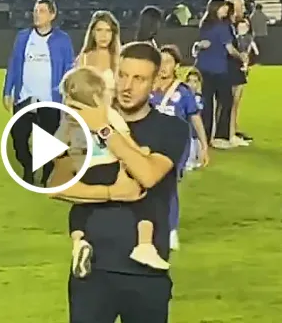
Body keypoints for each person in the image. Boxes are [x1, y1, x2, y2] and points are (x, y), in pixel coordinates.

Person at [50, 42, 189, 323]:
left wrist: (105, 129)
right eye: (123, 75)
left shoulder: (171, 128)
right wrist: (112, 192)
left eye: (139, 79)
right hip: (92, 273)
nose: (127, 86)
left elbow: (148, 174)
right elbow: (56, 184)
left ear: (155, 81)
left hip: (145, 273)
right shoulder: (80, 122)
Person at [52, 66, 169, 278]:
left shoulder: (68, 119)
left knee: (81, 207)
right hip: (110, 166)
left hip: (85, 169)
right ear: (98, 96)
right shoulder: (106, 114)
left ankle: (79, 241)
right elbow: (121, 136)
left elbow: (58, 145)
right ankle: (144, 245)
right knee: (144, 197)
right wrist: (140, 153)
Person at [2, 0, 74, 185]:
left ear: (52, 15)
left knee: (49, 140)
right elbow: (14, 63)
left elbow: (69, 69)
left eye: (42, 11)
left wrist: (68, 95)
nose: (37, 14)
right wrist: (7, 90)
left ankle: (46, 175)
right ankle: (28, 165)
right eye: (35, 11)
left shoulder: (63, 40)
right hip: (25, 98)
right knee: (18, 139)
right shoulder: (23, 37)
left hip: (51, 100)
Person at [150, 45, 209, 250]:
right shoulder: (147, 88)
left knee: (169, 185)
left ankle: (171, 230)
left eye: (168, 62)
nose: (164, 66)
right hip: (150, 143)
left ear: (176, 64)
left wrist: (204, 144)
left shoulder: (183, 91)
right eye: (161, 61)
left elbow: (194, 117)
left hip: (176, 144)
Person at [195, 0, 244, 150]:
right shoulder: (222, 26)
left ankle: (205, 137)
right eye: (223, 7)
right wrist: (240, 56)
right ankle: (220, 137)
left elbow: (201, 44)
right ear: (216, 8)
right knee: (226, 101)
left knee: (206, 104)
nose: (226, 9)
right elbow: (230, 49)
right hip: (218, 69)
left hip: (203, 68)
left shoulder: (205, 24)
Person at [224, 0, 252, 146]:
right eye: (240, 5)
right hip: (230, 66)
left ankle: (233, 129)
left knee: (235, 100)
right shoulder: (228, 25)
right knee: (232, 100)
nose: (243, 8)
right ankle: (230, 133)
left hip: (237, 66)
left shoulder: (238, 24)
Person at [76, 10, 121, 103]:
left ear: (113, 34)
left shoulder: (120, 58)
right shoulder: (83, 58)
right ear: (93, 33)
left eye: (108, 31)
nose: (103, 35)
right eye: (99, 30)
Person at [184, 68, 205, 170]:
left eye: (195, 81)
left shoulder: (200, 98)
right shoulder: (181, 98)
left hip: (196, 136)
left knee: (199, 160)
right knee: (189, 163)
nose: (192, 84)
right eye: (189, 81)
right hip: (187, 137)